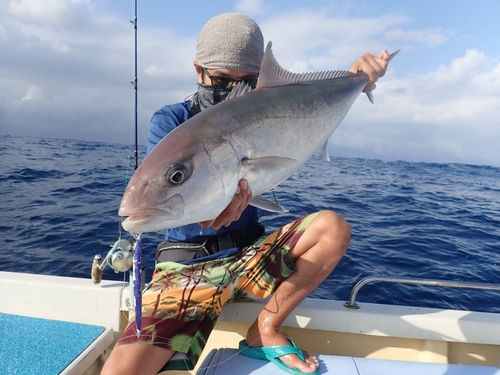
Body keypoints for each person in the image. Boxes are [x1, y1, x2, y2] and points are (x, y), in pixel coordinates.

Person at [102, 12, 390, 375]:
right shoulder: (172, 120)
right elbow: (175, 198)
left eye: (247, 82)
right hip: (186, 268)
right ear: (198, 70)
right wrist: (205, 209)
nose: (231, 91)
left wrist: (358, 77)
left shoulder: (273, 104)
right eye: (220, 79)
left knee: (332, 228)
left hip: (253, 256)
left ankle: (264, 329)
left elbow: (311, 98)